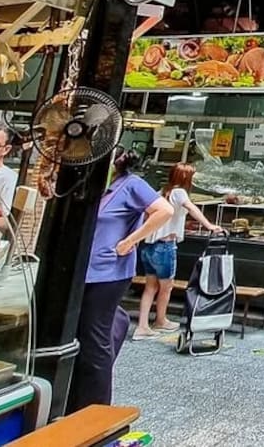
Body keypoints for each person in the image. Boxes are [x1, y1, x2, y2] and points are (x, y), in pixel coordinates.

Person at [69, 149, 173, 412]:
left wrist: (129, 242)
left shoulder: (131, 184)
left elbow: (164, 211)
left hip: (109, 272)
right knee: (81, 331)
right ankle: (73, 398)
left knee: (94, 340)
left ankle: (95, 409)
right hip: (83, 270)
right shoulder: (95, 186)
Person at [134, 163, 223, 340]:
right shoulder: (179, 193)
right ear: (185, 178)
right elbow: (192, 208)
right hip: (165, 247)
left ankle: (142, 325)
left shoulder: (161, 192)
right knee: (166, 287)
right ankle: (160, 320)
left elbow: (146, 215)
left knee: (150, 287)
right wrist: (209, 226)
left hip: (149, 245)